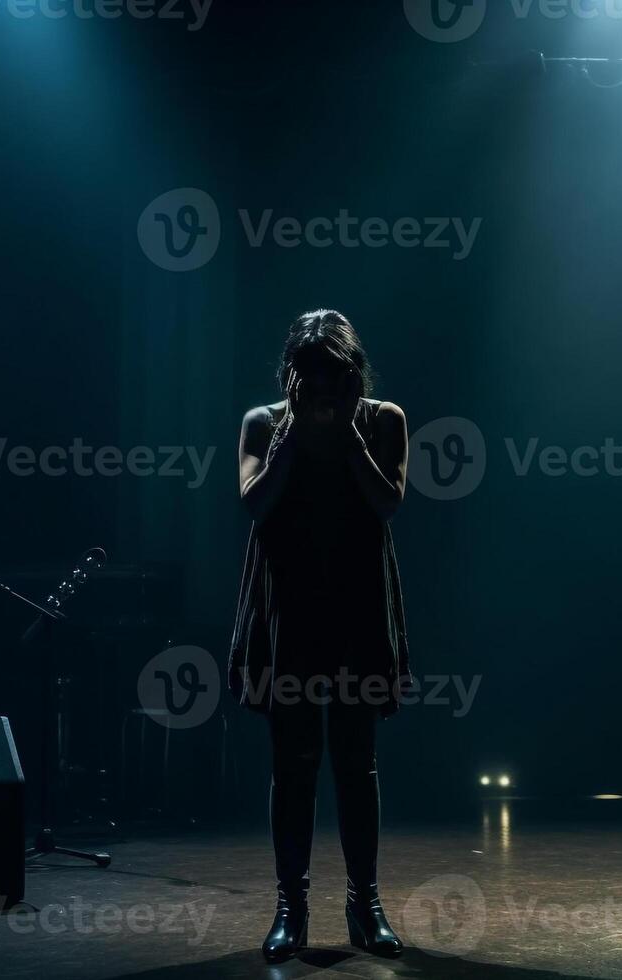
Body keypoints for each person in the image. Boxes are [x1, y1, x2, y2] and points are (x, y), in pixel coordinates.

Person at [229, 309, 412, 961]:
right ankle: (291, 908)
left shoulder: (383, 419)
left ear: (354, 374)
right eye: (309, 376)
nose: (322, 388)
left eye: (334, 376)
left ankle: (365, 904)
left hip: (357, 605)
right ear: (291, 375)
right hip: (290, 608)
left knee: (356, 763)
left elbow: (387, 501)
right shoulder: (262, 422)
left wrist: (349, 433)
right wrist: (293, 432)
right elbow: (255, 502)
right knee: (293, 763)